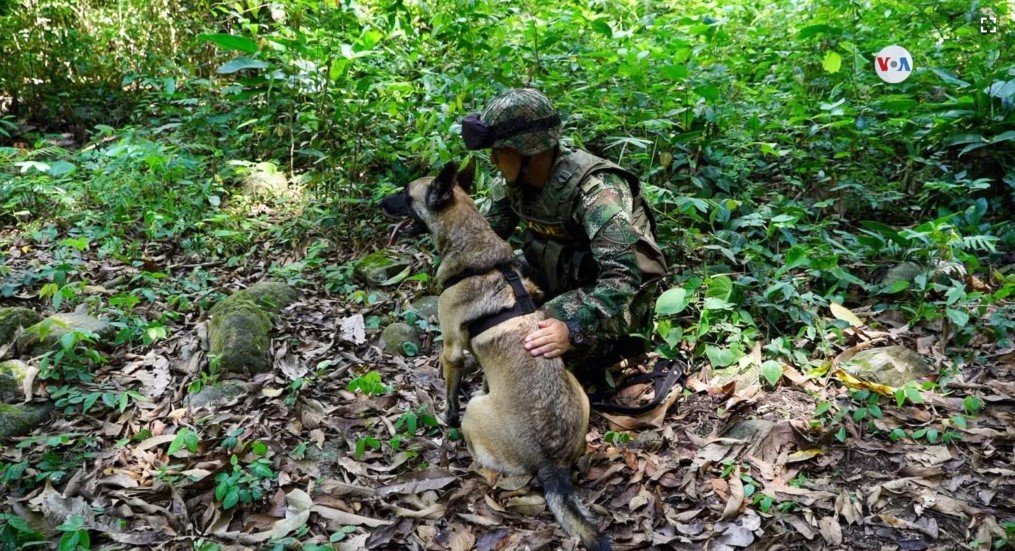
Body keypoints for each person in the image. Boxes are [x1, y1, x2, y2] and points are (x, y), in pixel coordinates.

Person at [460, 88, 668, 387]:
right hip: (554, 278)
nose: (493, 159)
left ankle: (609, 352)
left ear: (528, 151)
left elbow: (623, 280)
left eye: (499, 150)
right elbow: (485, 243)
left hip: (612, 300)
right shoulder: (514, 182)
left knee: (528, 336)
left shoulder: (597, 191)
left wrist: (571, 327)